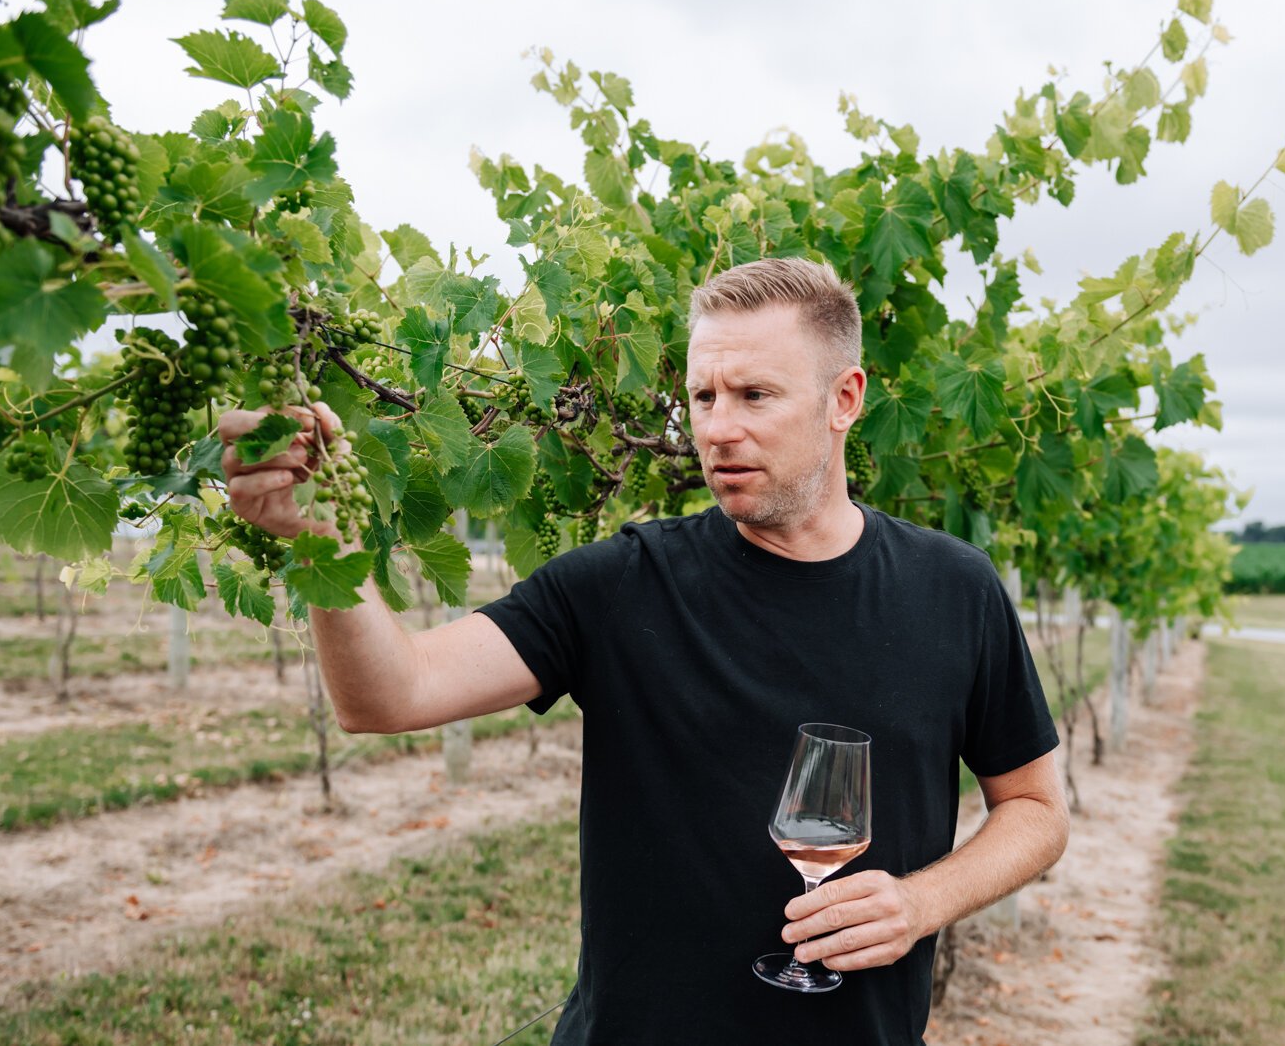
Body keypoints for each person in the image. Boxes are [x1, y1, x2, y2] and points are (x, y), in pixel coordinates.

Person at [220, 257, 1069, 1045]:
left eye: (754, 395)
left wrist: (919, 904)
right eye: (703, 397)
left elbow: (1035, 810)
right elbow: (387, 695)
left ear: (844, 398)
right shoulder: (622, 584)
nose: (719, 429)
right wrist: (316, 539)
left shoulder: (954, 589)